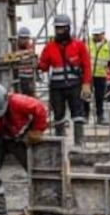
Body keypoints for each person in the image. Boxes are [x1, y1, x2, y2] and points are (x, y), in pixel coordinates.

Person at [0, 82, 48, 214]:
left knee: (34, 166)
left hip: (20, 138)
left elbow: (40, 109)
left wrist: (37, 130)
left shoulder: (19, 102)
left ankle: (42, 200)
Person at [38, 13, 90, 147]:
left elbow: (86, 66)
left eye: (62, 28)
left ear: (68, 29)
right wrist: (36, 64)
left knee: (78, 114)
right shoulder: (49, 47)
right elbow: (43, 66)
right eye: (57, 29)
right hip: (57, 87)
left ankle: (79, 142)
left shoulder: (79, 46)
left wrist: (86, 84)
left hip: (75, 85)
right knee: (58, 115)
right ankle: (59, 144)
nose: (59, 31)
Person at [88, 24, 110, 125]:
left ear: (103, 34)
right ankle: (85, 117)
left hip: (101, 75)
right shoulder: (87, 43)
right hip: (88, 75)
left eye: (98, 35)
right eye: (94, 34)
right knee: (86, 96)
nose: (96, 37)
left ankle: (100, 117)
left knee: (99, 97)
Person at [14, 26, 37, 96]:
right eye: (22, 38)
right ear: (18, 38)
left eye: (26, 38)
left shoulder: (31, 49)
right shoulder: (14, 49)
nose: (25, 41)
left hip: (29, 79)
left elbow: (35, 63)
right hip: (19, 78)